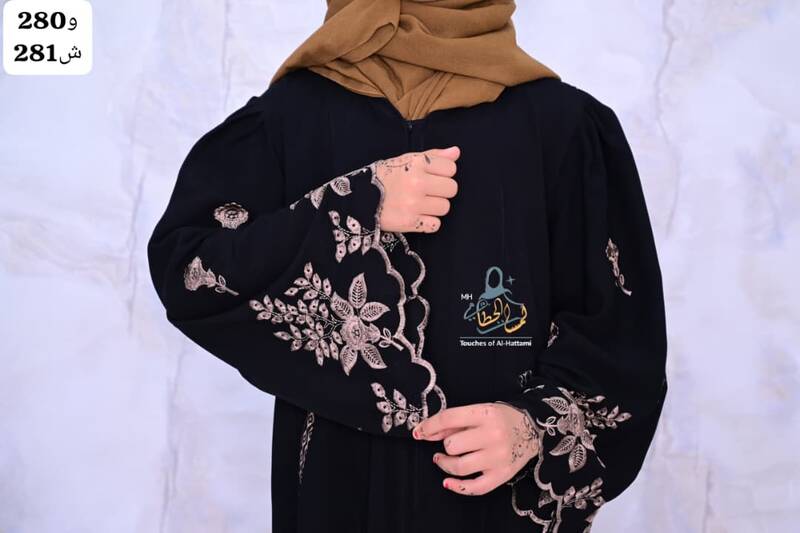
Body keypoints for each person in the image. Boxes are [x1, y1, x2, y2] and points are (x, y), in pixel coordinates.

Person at [146, 1, 668, 531]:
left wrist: (533, 427)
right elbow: (190, 268)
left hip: (493, 507)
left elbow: (623, 335)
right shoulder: (291, 117)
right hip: (336, 496)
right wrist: (353, 207)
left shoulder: (562, 127)